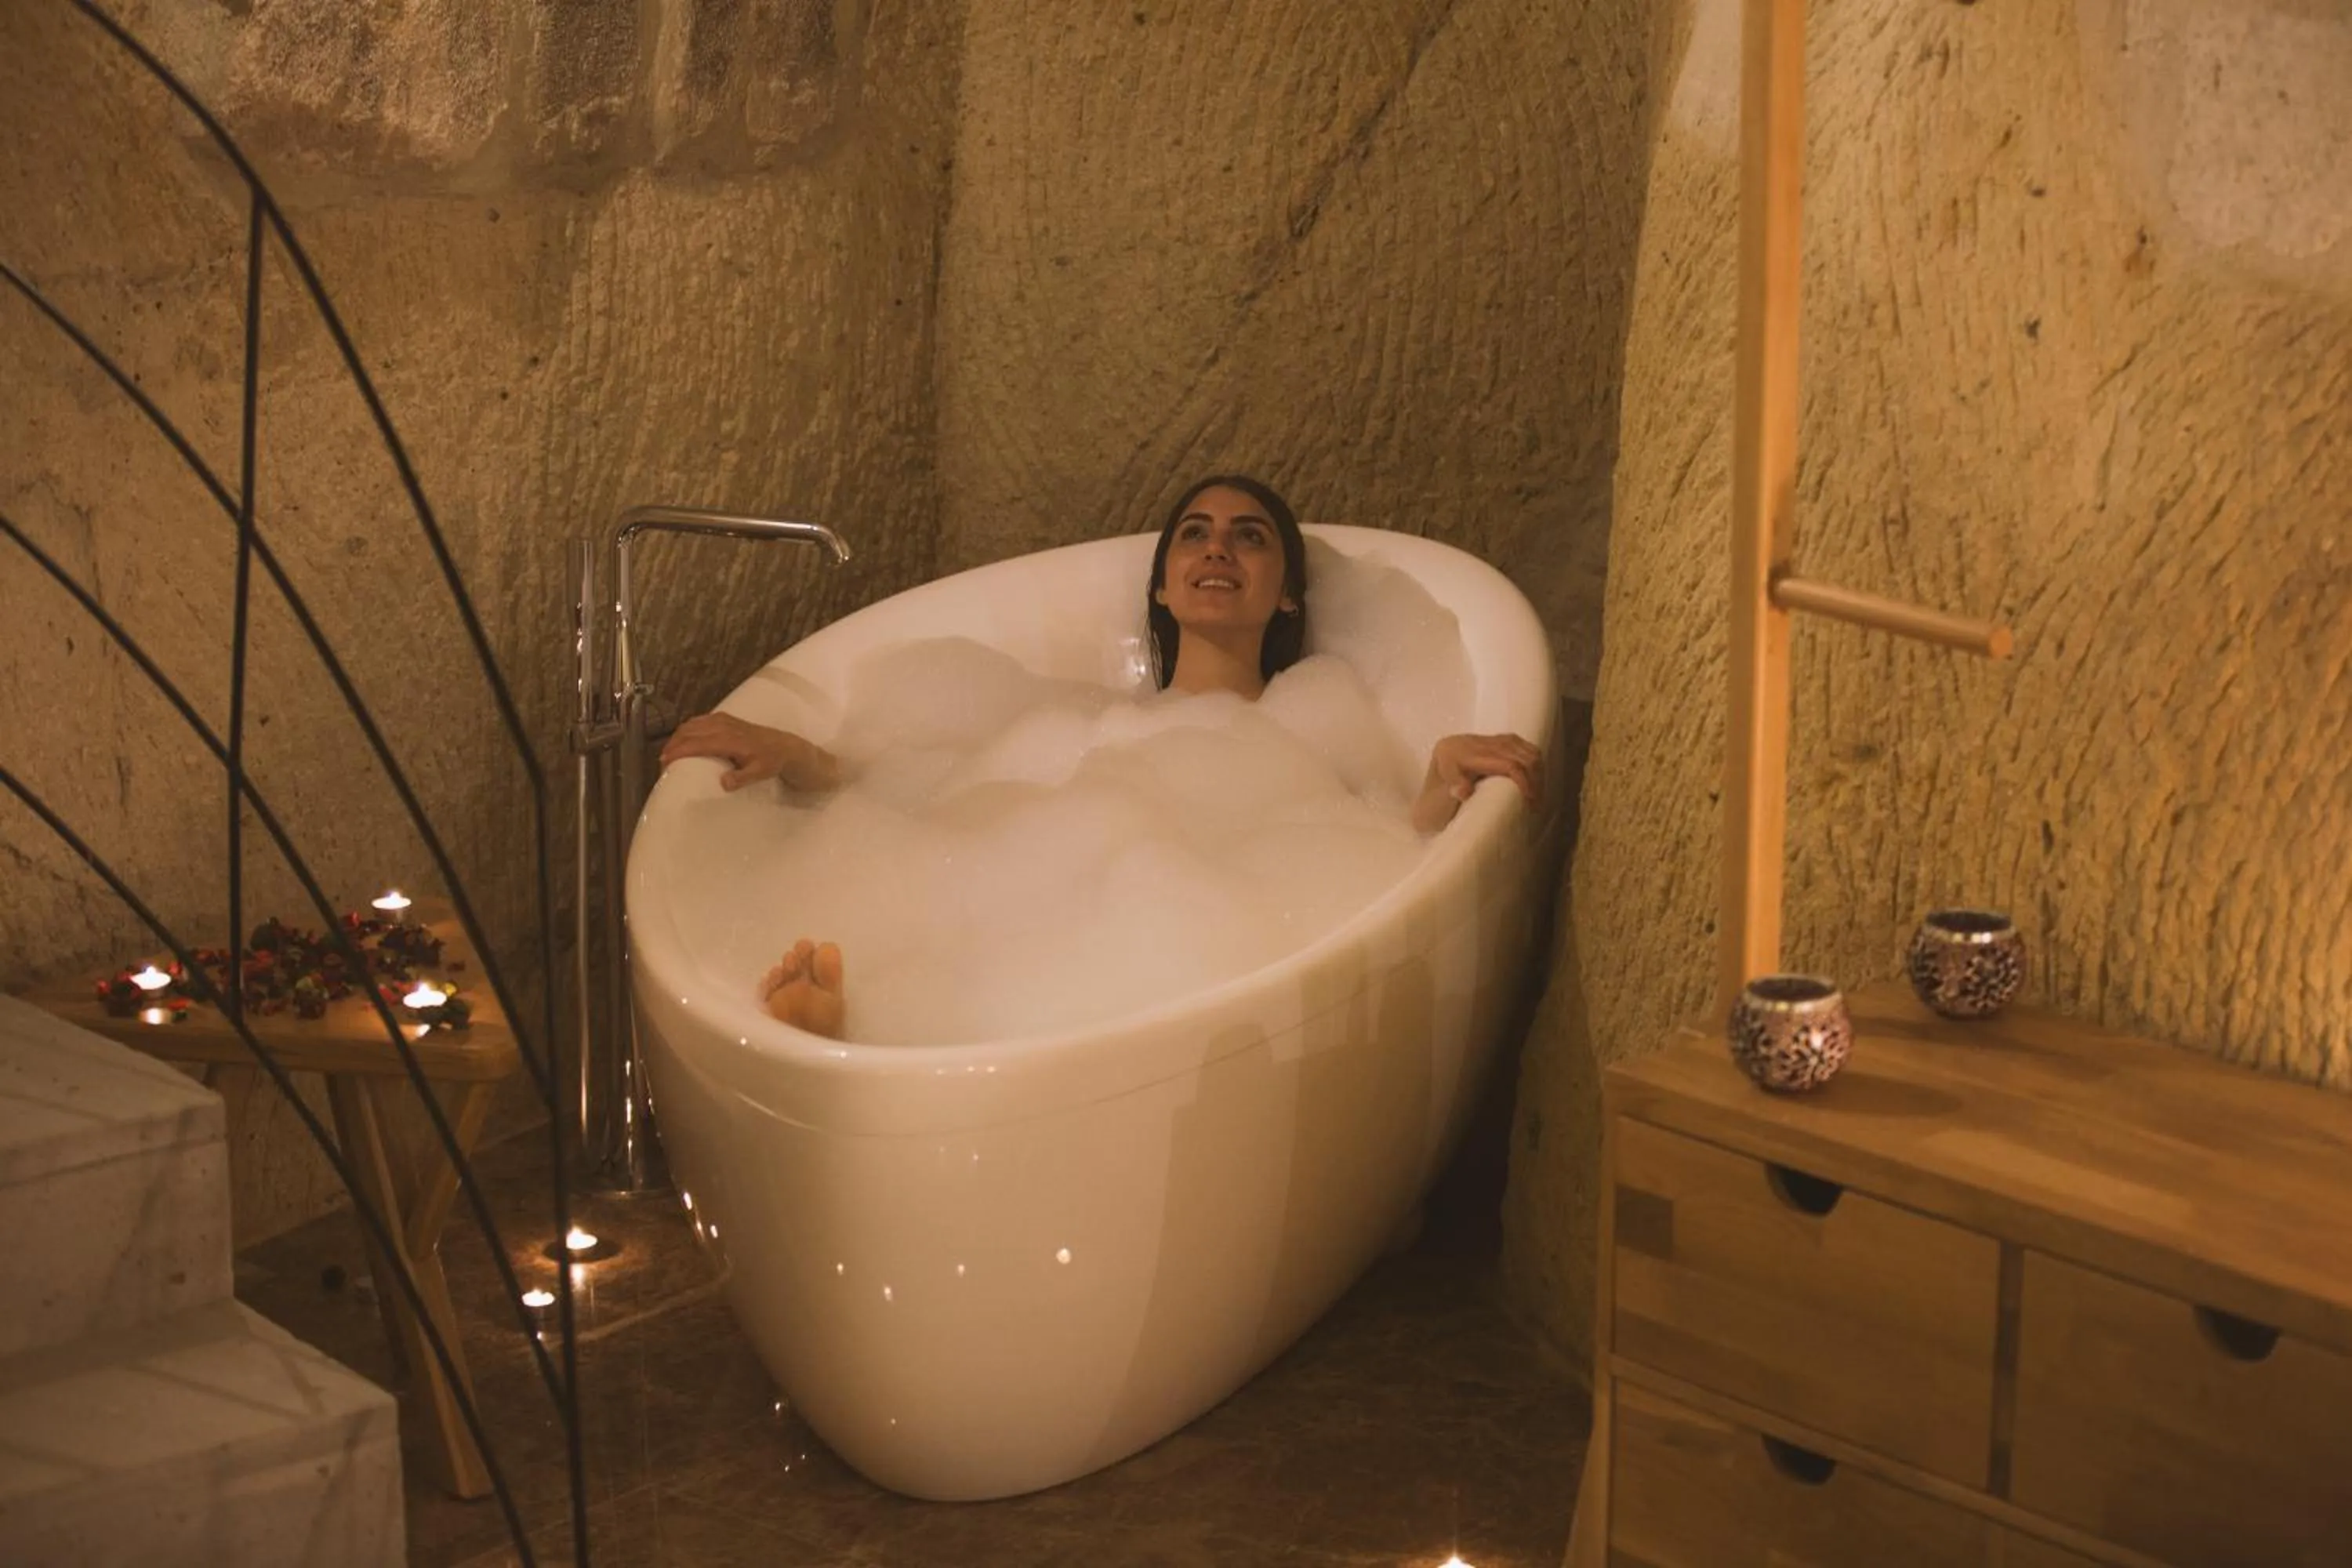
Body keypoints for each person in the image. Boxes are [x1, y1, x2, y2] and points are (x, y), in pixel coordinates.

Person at [657, 476, 1544, 1037]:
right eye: (1193, 534)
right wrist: (801, 755)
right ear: (1161, 585)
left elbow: (1385, 852)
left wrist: (1443, 778)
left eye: (1250, 537)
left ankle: (876, 1039)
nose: (1217, 549)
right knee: (973, 911)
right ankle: (874, 1027)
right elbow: (923, 790)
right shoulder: (1071, 716)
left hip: (1190, 944)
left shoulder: (1314, 721)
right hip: (1058, 894)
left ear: (1286, 598)